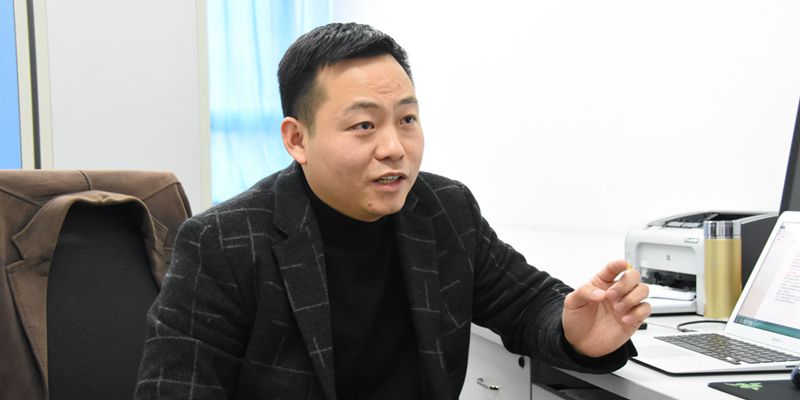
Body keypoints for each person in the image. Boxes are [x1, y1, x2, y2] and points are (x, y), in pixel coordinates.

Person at [135, 22, 650, 400]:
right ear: (297, 139)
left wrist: (575, 332)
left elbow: (527, 303)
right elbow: (175, 390)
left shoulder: (445, 210)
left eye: (407, 119)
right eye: (364, 126)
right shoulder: (223, 242)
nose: (394, 148)